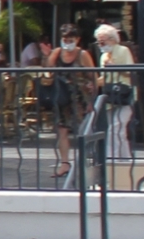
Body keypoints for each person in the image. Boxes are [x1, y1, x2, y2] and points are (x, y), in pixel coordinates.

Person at [49, 24, 93, 177]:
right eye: (65, 39)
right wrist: (49, 56)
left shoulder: (83, 55)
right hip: (62, 97)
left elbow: (92, 76)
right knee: (62, 130)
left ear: (77, 39)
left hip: (80, 97)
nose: (67, 42)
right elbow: (47, 70)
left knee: (83, 131)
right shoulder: (57, 53)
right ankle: (65, 163)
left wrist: (91, 100)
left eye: (71, 39)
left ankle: (85, 163)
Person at [93, 22, 137, 163]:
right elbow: (104, 78)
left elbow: (131, 72)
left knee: (115, 128)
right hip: (111, 97)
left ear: (112, 39)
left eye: (102, 42)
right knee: (119, 131)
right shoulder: (103, 57)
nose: (100, 45)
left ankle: (112, 160)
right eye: (98, 42)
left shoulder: (123, 51)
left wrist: (115, 67)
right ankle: (126, 160)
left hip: (125, 95)